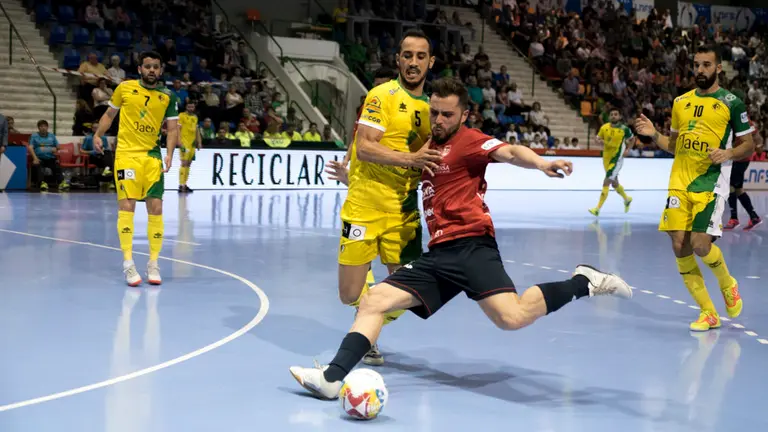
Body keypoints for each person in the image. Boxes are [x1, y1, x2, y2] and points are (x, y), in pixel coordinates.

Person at [290, 77, 634, 399]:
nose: (438, 119)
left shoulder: (468, 141)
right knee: (373, 300)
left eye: (446, 114)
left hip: (472, 246)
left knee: (510, 318)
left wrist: (541, 163)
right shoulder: (425, 148)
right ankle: (332, 380)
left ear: (463, 115)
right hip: (438, 254)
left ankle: (583, 281)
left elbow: (510, 152)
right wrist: (351, 177)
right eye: (433, 112)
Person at [332, 30, 443, 366]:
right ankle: (365, 327)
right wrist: (411, 159)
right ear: (398, 59)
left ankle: (364, 331)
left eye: (420, 56)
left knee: (410, 291)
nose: (413, 62)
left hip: (404, 211)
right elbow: (364, 147)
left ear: (430, 62)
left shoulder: (434, 108)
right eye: (407, 55)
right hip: (365, 206)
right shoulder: (382, 95)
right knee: (349, 294)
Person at [635, 45, 753, 331]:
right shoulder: (680, 102)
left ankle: (727, 282)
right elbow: (674, 146)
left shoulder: (732, 102)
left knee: (701, 245)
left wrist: (728, 154)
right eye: (697, 65)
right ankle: (708, 312)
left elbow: (749, 145)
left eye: (706, 65)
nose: (700, 70)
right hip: (679, 182)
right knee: (679, 246)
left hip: (710, 183)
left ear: (718, 68)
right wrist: (654, 135)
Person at [93, 51, 180, 287]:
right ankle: (128, 263)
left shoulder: (168, 96)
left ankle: (153, 263)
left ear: (160, 71)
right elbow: (109, 114)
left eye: (156, 67)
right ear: (140, 69)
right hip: (127, 155)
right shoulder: (125, 88)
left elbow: (172, 130)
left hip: (152, 156)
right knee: (127, 204)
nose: (152, 70)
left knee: (156, 207)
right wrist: (98, 134)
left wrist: (170, 153)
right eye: (147, 66)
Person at [589, 108, 634, 216]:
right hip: (606, 159)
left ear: (619, 117)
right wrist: (598, 140)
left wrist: (628, 149)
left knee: (606, 181)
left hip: (616, 159)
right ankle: (627, 199)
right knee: (614, 183)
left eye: (616, 114)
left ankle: (597, 209)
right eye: (612, 114)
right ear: (609, 117)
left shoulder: (624, 129)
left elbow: (632, 139)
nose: (614, 116)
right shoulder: (604, 127)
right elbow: (597, 138)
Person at [724, 119, 762, 230]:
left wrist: (755, 146)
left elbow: (757, 138)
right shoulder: (744, 120)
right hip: (738, 158)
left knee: (732, 186)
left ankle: (734, 218)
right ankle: (753, 217)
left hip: (740, 159)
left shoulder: (741, 120)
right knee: (738, 189)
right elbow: (758, 137)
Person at [177, 101, 202, 193]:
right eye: (189, 106)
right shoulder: (181, 116)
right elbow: (178, 129)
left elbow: (196, 130)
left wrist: (199, 141)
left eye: (192, 107)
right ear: (186, 107)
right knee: (184, 163)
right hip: (184, 143)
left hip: (192, 144)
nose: (191, 108)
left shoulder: (195, 117)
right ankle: (181, 185)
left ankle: (185, 184)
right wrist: (179, 142)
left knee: (189, 164)